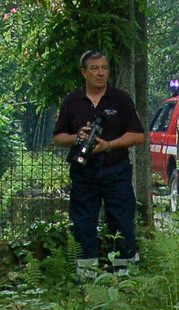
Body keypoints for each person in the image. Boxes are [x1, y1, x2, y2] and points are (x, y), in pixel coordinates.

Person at [52, 49, 145, 274]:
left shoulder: (121, 99)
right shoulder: (72, 101)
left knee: (122, 221)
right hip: (84, 173)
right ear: (84, 72)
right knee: (83, 224)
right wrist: (78, 137)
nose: (100, 73)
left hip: (116, 170)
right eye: (94, 68)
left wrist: (109, 144)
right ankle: (87, 276)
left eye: (104, 68)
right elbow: (58, 137)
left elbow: (139, 135)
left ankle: (126, 275)